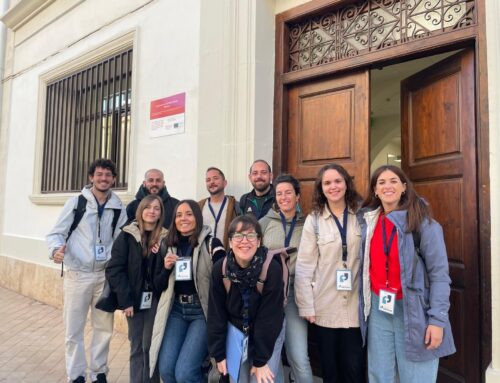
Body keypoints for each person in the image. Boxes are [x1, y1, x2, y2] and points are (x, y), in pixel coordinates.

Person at [358, 165, 455, 383]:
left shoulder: (424, 223)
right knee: (380, 375)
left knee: (417, 377)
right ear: (375, 190)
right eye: (381, 182)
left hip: (414, 310)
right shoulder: (369, 223)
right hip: (379, 308)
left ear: (404, 187)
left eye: (393, 181)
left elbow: (439, 275)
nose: (387, 186)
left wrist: (437, 320)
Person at [46, 159, 127, 383]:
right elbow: (56, 233)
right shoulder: (76, 203)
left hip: (104, 277)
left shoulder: (119, 206)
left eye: (108, 175)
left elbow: (122, 240)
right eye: (99, 174)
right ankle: (76, 375)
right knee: (73, 330)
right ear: (91, 177)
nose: (103, 178)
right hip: (78, 275)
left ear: (113, 179)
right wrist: (55, 251)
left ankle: (99, 373)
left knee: (104, 329)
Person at [295, 163, 365, 383]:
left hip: (356, 308)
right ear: (321, 188)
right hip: (324, 307)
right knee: (330, 371)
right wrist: (306, 305)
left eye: (337, 181)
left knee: (354, 370)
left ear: (346, 183)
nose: (333, 186)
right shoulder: (314, 220)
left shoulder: (362, 216)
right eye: (327, 183)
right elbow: (304, 266)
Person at [149, 200, 226, 383]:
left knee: (185, 374)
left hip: (202, 312)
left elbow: (224, 276)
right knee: (166, 370)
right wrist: (166, 268)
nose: (183, 218)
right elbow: (157, 286)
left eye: (189, 214)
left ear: (197, 218)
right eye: (179, 215)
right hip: (176, 311)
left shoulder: (211, 243)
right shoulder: (167, 245)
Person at [208, 215, 285, 383]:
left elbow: (269, 318)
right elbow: (216, 314)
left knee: (263, 379)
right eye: (238, 236)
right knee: (239, 380)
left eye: (251, 235)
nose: (244, 241)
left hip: (268, 328)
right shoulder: (220, 269)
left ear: (258, 241)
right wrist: (219, 354)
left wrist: (260, 361)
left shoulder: (271, 269)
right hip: (236, 330)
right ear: (229, 241)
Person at [105, 195, 168, 382]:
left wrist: (161, 257)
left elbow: (165, 271)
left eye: (156, 208)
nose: (152, 211)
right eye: (148, 207)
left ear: (161, 213)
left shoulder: (165, 237)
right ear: (140, 210)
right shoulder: (127, 235)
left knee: (151, 346)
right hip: (133, 300)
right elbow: (115, 269)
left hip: (156, 300)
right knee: (137, 347)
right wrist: (126, 301)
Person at [259, 174, 313, 383]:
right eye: (279, 193)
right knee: (270, 355)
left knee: (299, 356)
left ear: (298, 196)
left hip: (295, 293)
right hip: (269, 293)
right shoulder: (264, 223)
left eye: (288, 192)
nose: (283, 197)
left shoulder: (308, 223)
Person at [199, 167, 241, 249]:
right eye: (208, 180)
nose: (212, 182)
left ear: (225, 183)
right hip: (204, 257)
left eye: (215, 178)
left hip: (227, 255)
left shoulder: (235, 206)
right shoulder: (199, 206)